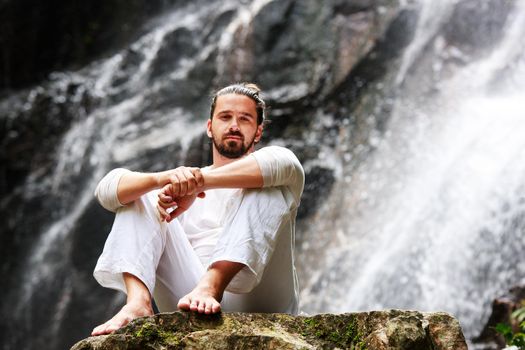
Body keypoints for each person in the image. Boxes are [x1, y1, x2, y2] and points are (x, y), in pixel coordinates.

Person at [90, 83, 304, 336]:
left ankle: (213, 283)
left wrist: (197, 183)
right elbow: (107, 191)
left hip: (261, 299)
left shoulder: (278, 169)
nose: (234, 125)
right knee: (141, 196)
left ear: (258, 132)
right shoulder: (181, 182)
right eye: (225, 117)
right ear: (209, 127)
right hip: (189, 293)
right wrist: (164, 179)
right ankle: (138, 303)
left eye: (244, 119)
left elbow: (284, 163)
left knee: (268, 189)